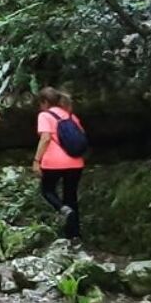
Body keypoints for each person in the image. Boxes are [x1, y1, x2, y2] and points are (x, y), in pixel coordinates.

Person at [34, 86, 87, 239]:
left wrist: (36, 161)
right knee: (71, 196)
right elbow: (81, 135)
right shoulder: (70, 115)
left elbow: (45, 138)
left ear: (44, 102)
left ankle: (62, 209)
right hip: (76, 163)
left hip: (54, 163)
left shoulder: (45, 115)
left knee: (47, 190)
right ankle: (74, 235)